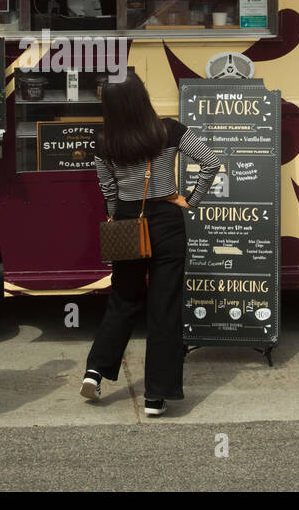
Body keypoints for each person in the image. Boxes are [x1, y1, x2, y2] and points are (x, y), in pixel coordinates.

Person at [81, 71, 221, 417]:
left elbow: (109, 191)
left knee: (124, 298)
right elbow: (210, 160)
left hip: (129, 221)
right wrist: (192, 199)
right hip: (167, 222)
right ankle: (155, 397)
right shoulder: (169, 131)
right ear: (141, 97)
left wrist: (116, 219)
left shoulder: (103, 142)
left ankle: (95, 371)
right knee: (165, 306)